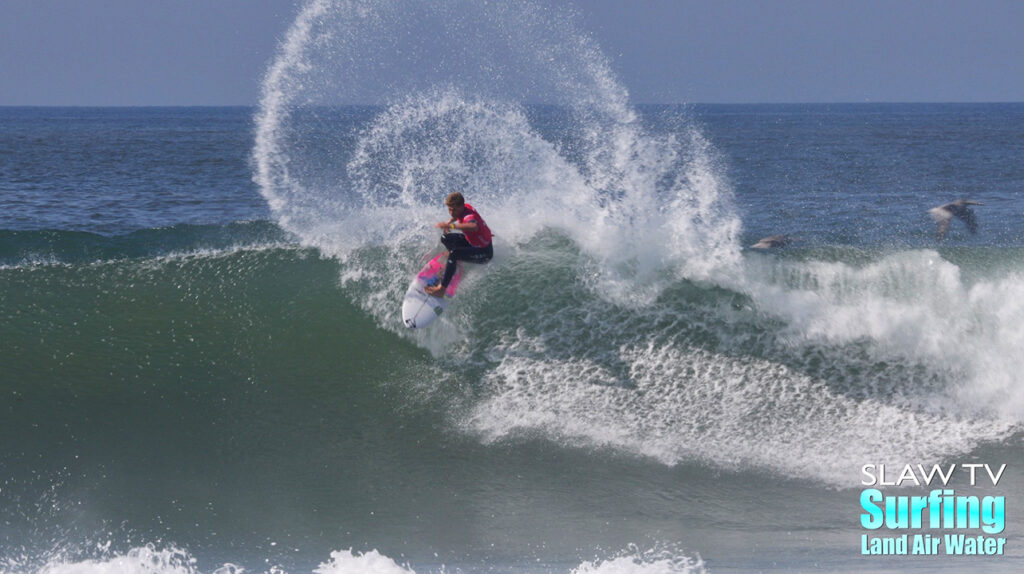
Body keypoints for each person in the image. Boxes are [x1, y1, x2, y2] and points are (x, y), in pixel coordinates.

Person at [424, 192, 493, 297]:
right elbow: (457, 217)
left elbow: (474, 226)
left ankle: (441, 289)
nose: (451, 212)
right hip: (472, 242)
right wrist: (449, 222)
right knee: (445, 238)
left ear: (461, 206)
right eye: (449, 209)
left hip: (484, 253)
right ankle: (455, 263)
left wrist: (451, 226)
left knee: (454, 254)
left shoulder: (469, 216)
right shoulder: (465, 207)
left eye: (454, 210)